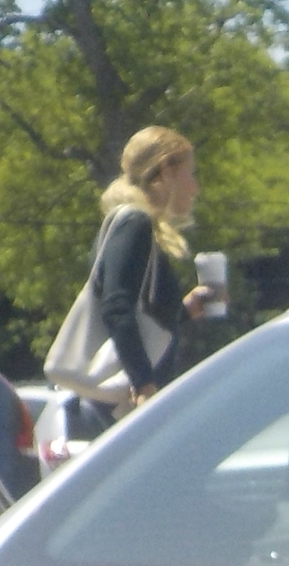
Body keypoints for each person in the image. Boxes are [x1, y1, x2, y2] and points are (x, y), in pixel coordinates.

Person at [93, 125, 218, 416]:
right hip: (127, 402)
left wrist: (184, 310)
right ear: (165, 172)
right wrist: (145, 385)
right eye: (191, 173)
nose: (195, 187)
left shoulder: (132, 225)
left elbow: (140, 310)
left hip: (127, 399)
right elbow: (116, 307)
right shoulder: (134, 223)